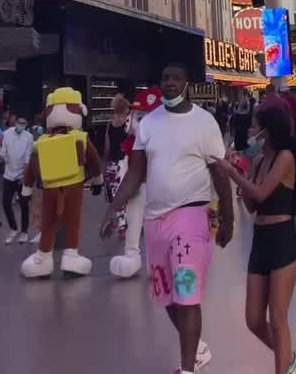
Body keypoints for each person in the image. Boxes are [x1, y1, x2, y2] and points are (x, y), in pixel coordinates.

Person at [101, 64, 233, 374]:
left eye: (175, 78)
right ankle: (197, 349)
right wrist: (113, 208)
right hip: (155, 221)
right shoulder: (149, 123)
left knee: (186, 292)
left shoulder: (204, 122)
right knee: (168, 295)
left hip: (193, 216)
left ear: (187, 83)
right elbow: (136, 172)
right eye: (164, 78)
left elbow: (219, 172)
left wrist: (228, 217)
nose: (169, 83)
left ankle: (186, 368)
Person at [219, 106, 296, 374]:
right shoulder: (258, 160)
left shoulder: (285, 158)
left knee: (277, 318)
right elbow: (251, 205)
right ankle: (290, 357)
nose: (250, 130)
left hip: (283, 240)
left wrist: (234, 175)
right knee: (254, 319)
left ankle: (283, 368)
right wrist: (241, 173)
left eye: (255, 126)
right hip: (261, 239)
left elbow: (261, 193)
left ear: (268, 130)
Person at [1, 113, 34, 244]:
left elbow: (28, 159)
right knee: (5, 203)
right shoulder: (7, 134)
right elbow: (4, 152)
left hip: (21, 175)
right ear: (15, 122)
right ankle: (13, 228)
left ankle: (24, 232)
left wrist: (24, 177)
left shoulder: (29, 137)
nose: (21, 125)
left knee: (24, 204)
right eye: (19, 122)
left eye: (23, 124)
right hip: (8, 175)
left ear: (26, 125)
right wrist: (1, 156)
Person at [103, 93, 130, 216]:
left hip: (112, 163)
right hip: (125, 162)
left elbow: (107, 147)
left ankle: (121, 224)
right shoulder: (128, 124)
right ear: (124, 108)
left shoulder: (110, 124)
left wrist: (105, 164)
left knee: (116, 195)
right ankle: (131, 221)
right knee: (128, 194)